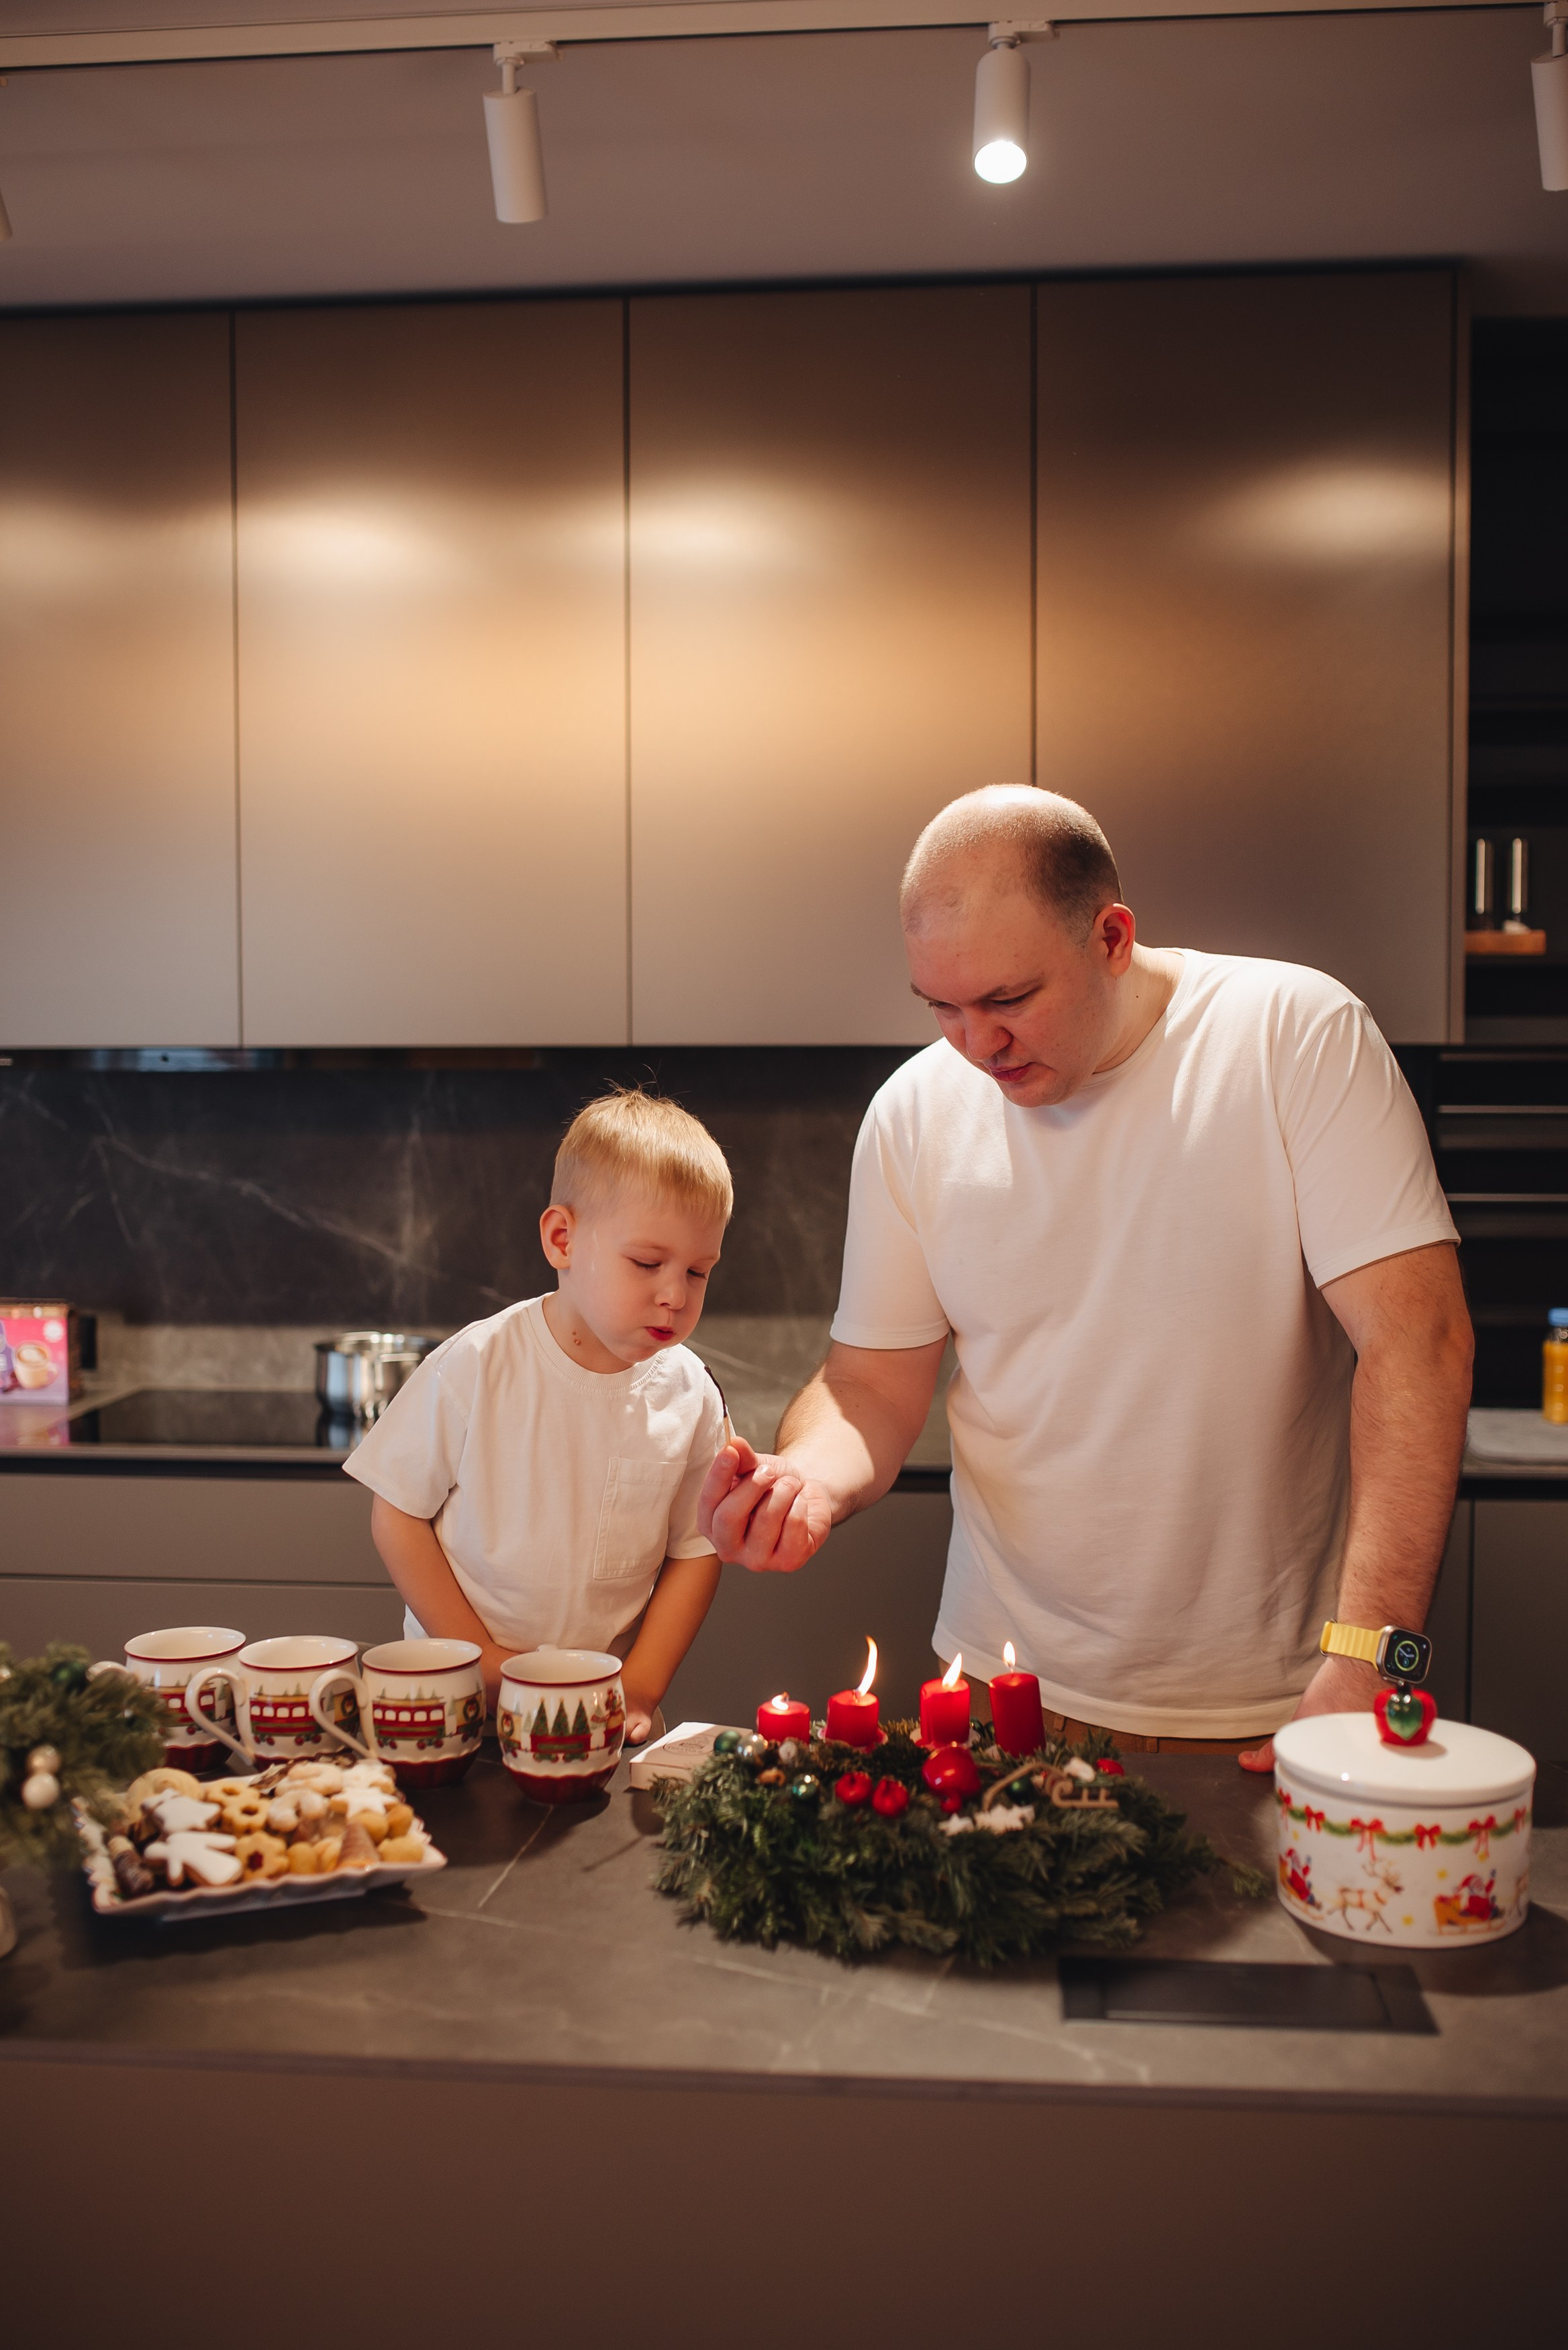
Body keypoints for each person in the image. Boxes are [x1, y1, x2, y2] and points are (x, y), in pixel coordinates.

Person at [699, 786, 1472, 1771]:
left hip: (1280, 1705)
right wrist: (807, 1475)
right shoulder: (914, 1114)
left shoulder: (1293, 1038)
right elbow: (869, 1388)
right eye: (943, 1007)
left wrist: (1371, 1654)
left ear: (1111, 935)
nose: (978, 1046)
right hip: (996, 1691)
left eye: (1010, 1000)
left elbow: (1421, 1343)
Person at [347, 1089, 732, 1744]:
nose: (675, 1292)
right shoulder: (477, 1362)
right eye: (646, 1262)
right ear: (562, 1238)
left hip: (596, 1717)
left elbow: (695, 1551)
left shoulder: (690, 1394)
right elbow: (397, 1514)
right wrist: (479, 1658)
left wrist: (640, 1685)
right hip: (452, 1703)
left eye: (698, 1271)